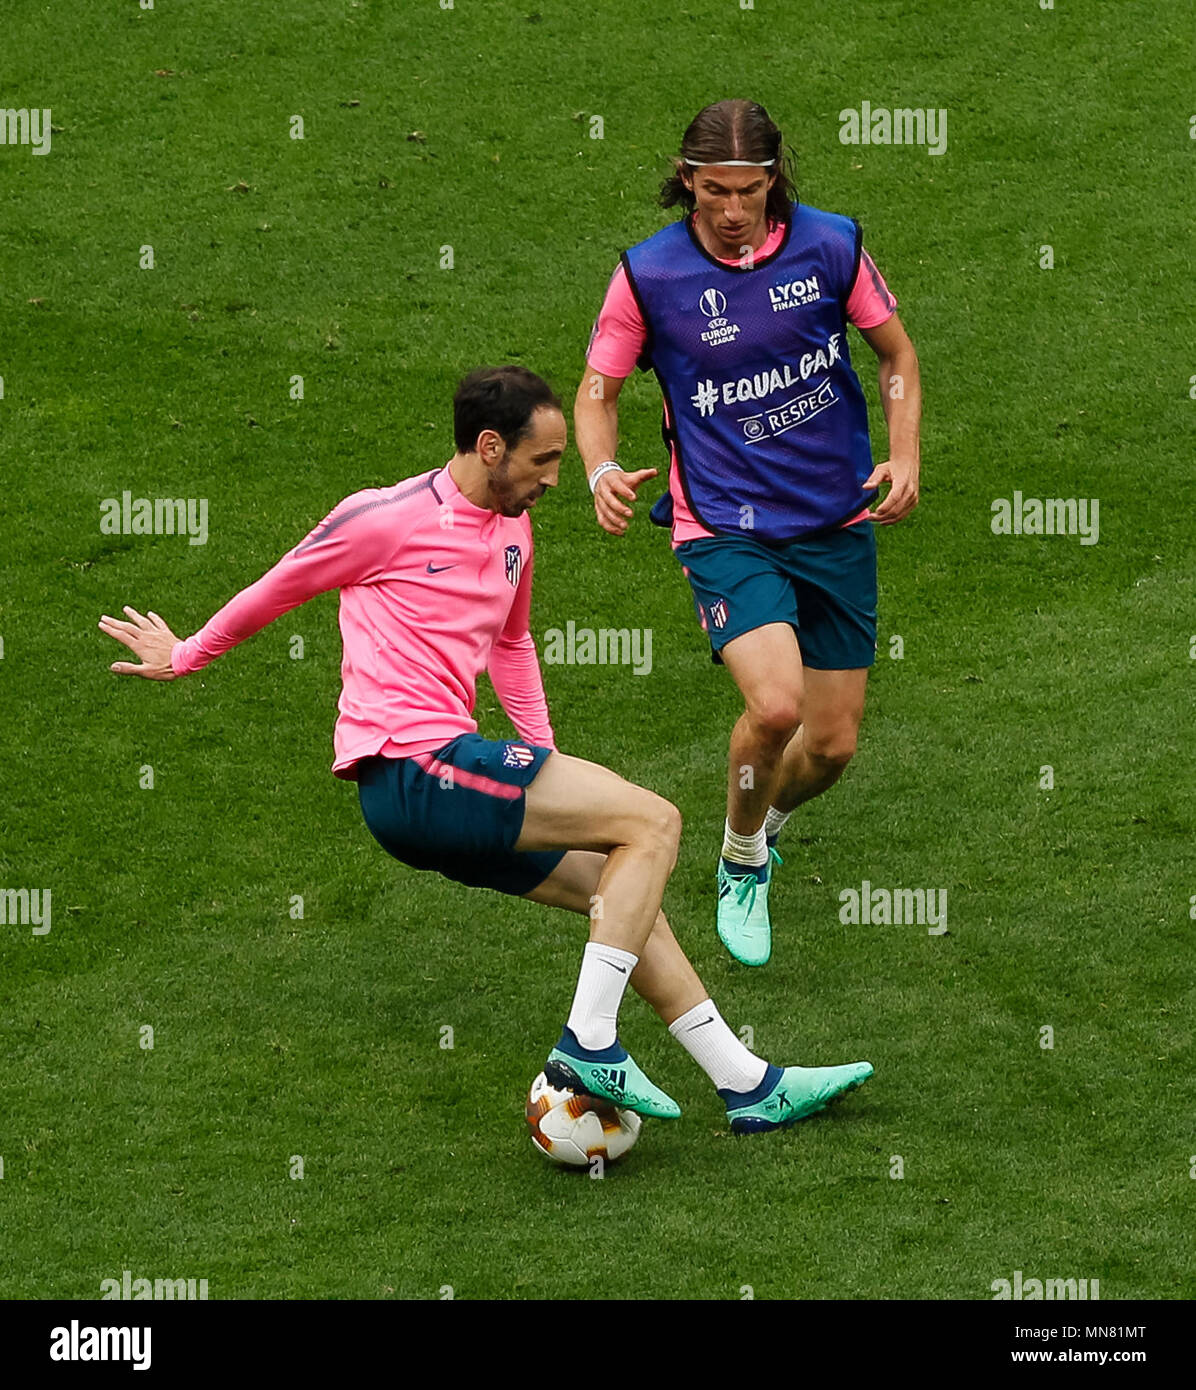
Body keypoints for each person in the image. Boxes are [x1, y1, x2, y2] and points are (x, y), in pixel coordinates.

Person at [98, 364, 872, 1133]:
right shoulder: (382, 518)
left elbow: (513, 644)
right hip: (409, 768)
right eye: (544, 461)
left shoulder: (515, 533)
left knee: (619, 887)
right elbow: (282, 585)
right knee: (657, 823)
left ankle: (745, 1084)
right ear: (492, 447)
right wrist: (188, 653)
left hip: (446, 774)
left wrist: (548, 759)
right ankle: (588, 1042)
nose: (554, 479)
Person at [574, 99, 922, 967]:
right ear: (686, 181)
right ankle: (739, 863)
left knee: (833, 744)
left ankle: (761, 825)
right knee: (775, 706)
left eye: (750, 192)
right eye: (713, 192)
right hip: (724, 524)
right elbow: (596, 393)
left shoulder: (831, 246)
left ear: (776, 180)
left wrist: (905, 454)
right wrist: (600, 469)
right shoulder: (649, 276)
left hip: (836, 518)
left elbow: (897, 357)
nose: (732, 211)